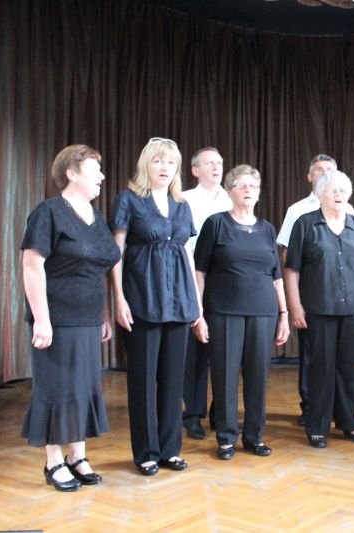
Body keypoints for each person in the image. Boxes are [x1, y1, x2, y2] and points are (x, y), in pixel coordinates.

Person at [21, 145, 120, 491]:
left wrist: (103, 314)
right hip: (57, 318)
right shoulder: (48, 212)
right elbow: (32, 266)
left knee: (83, 388)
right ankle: (54, 461)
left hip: (89, 318)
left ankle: (77, 456)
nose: (102, 177)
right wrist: (41, 319)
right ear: (72, 173)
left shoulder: (96, 218)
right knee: (58, 389)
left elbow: (100, 269)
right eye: (95, 170)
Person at [110, 137, 204, 476]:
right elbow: (116, 252)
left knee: (173, 379)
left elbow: (187, 254)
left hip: (179, 301)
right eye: (158, 161)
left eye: (170, 162)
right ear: (146, 165)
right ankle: (146, 452)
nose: (165, 168)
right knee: (143, 379)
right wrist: (119, 298)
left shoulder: (181, 204)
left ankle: (170, 449)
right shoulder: (128, 200)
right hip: (143, 299)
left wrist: (197, 305)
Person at [194, 164, 290, 460]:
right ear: (230, 191)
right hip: (223, 311)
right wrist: (198, 313)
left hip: (264, 312)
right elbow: (199, 272)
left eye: (253, 186)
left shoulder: (267, 229)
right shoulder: (216, 224)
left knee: (258, 376)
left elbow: (276, 276)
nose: (248, 190)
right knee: (224, 375)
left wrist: (284, 314)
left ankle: (254, 436)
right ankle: (226, 438)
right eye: (242, 185)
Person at [284, 170, 354, 448]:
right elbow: (292, 270)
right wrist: (295, 306)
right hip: (318, 308)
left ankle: (350, 423)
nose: (339, 195)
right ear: (320, 194)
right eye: (333, 190)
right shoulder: (305, 224)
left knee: (348, 368)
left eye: (343, 190)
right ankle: (317, 426)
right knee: (321, 369)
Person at [276, 154, 354, 426]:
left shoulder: (348, 209)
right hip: (313, 296)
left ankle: (340, 412)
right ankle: (311, 408)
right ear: (310, 176)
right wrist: (294, 301)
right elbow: (287, 255)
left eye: (330, 170)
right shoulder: (297, 210)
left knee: (342, 359)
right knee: (313, 356)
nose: (325, 174)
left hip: (344, 299)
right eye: (319, 170)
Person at [182, 146, 232, 440]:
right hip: (192, 278)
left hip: (226, 282)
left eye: (219, 163)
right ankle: (192, 414)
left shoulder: (231, 198)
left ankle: (220, 411)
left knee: (226, 351)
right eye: (209, 163)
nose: (216, 168)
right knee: (197, 351)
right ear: (195, 170)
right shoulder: (184, 199)